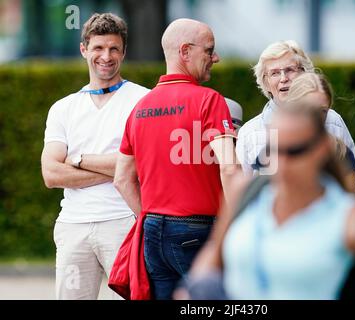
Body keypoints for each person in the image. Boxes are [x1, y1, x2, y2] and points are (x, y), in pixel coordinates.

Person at [181, 104, 355, 300]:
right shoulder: (248, 191)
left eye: (295, 152)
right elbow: (214, 255)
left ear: (321, 150)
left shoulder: (346, 216)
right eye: (274, 151)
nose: (282, 163)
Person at [113, 18, 238, 300]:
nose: (214, 58)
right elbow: (229, 168)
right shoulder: (210, 100)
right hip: (197, 231)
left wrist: (153, 215)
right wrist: (238, 223)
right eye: (209, 50)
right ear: (185, 51)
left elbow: (122, 179)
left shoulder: (139, 108)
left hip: (152, 232)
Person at [41, 13, 149, 300]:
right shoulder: (63, 109)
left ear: (124, 52)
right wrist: (117, 166)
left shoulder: (143, 101)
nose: (106, 56)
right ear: (84, 50)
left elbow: (142, 165)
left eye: (114, 48)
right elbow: (51, 175)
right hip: (74, 226)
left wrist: (77, 159)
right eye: (98, 48)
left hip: (124, 222)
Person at [236, 40, 355, 194]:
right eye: (275, 73)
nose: (284, 78)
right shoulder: (249, 132)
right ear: (266, 81)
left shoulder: (332, 120)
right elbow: (243, 195)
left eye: (290, 70)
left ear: (304, 73)